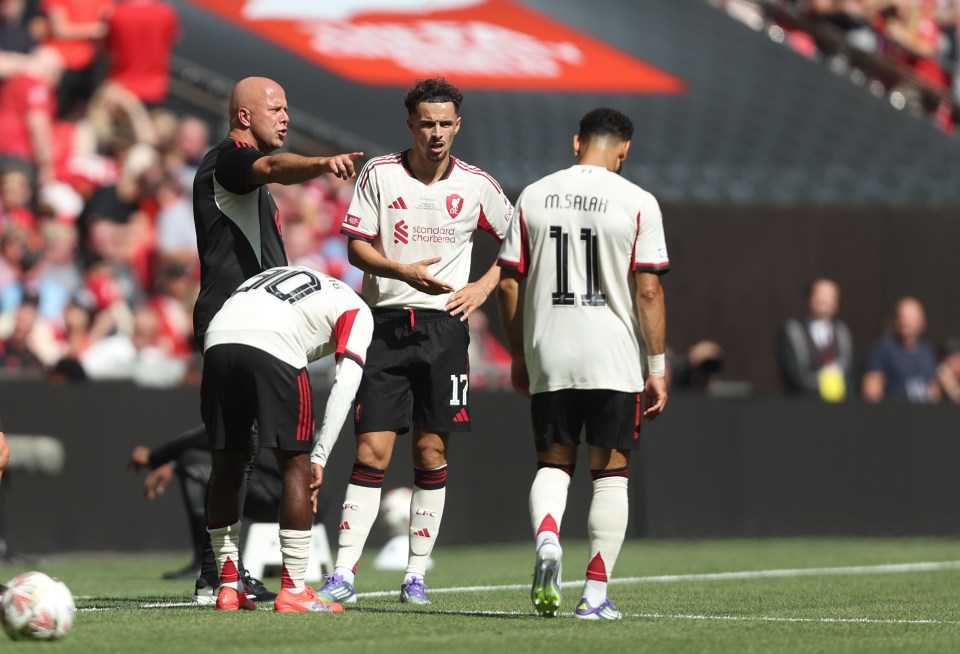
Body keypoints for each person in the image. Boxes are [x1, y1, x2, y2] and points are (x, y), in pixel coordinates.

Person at [317, 77, 513, 606]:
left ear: (458, 126)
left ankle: (416, 575)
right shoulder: (380, 174)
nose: (436, 133)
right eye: (427, 123)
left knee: (430, 451)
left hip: (444, 327)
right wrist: (400, 269)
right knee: (372, 450)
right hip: (383, 323)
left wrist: (482, 286)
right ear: (410, 124)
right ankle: (343, 574)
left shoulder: (476, 185)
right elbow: (356, 246)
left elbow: (519, 242)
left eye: (445, 123)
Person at [187, 76, 363, 602]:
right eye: (276, 109)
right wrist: (318, 165)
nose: (285, 117)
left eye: (288, 108)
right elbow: (270, 168)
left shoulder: (243, 179)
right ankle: (231, 573)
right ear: (244, 117)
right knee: (272, 454)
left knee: (236, 453)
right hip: (241, 321)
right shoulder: (232, 161)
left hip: (238, 320)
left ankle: (218, 574)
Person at [496, 107, 669, 620]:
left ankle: (548, 539)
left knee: (553, 463)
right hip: (612, 354)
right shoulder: (637, 200)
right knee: (610, 474)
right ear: (624, 150)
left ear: (577, 143)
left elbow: (508, 283)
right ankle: (594, 594)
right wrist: (656, 363)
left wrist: (519, 353)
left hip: (550, 349)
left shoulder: (533, 194)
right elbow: (649, 289)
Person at [201, 265, 373, 613]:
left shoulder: (296, 280)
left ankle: (229, 585)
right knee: (296, 465)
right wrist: (320, 456)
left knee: (227, 463)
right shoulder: (360, 311)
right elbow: (345, 387)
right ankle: (293, 590)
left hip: (217, 338)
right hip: (274, 342)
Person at [777, 278, 854, 401]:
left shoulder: (841, 331)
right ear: (809, 298)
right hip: (803, 403)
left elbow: (847, 367)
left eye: (830, 296)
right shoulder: (793, 331)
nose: (824, 300)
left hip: (838, 404)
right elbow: (795, 374)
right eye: (820, 295)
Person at [862, 296, 940, 403]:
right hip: (895, 414)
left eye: (911, 317)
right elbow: (871, 389)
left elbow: (934, 387)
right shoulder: (883, 348)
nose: (906, 321)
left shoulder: (927, 351)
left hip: (924, 414)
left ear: (922, 321)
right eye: (902, 316)